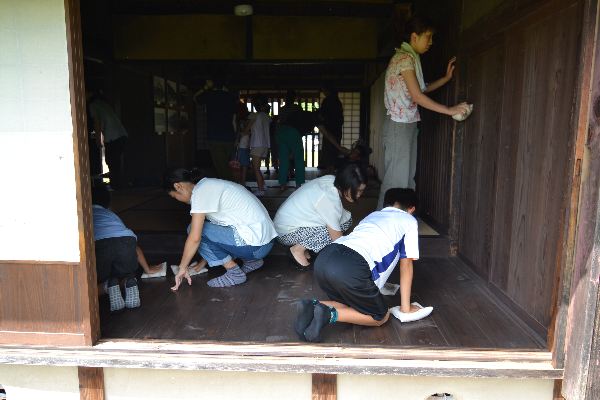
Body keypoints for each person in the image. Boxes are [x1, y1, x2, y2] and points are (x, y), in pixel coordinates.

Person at [295, 188, 428, 342]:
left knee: (347, 304)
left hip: (326, 258)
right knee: (380, 316)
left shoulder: (373, 215)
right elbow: (406, 266)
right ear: (411, 209)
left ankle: (312, 305)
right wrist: (406, 309)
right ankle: (329, 315)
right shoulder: (409, 221)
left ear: (387, 204)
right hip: (351, 267)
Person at [377, 16, 470, 209]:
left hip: (407, 124)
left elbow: (421, 89)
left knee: (406, 179)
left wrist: (445, 79)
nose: (430, 42)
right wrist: (449, 109)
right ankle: (382, 231)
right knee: (396, 181)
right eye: (427, 37)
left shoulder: (411, 58)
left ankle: (400, 227)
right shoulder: (403, 58)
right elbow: (418, 97)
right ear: (414, 36)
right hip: (398, 125)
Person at [166, 168, 278, 289]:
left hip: (255, 247)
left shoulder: (200, 193)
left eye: (174, 196)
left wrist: (182, 268)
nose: (177, 200)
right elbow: (214, 238)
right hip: (267, 244)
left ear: (178, 186)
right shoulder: (208, 185)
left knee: (192, 229)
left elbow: (195, 237)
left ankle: (234, 273)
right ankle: (252, 261)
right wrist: (201, 263)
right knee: (206, 228)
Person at [274, 163, 367, 270]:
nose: (359, 194)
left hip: (286, 225)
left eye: (362, 190)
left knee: (346, 220)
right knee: (332, 230)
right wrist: (351, 259)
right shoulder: (328, 198)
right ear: (346, 185)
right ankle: (297, 249)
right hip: (285, 233)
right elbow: (337, 238)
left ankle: (306, 246)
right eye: (357, 190)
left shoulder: (332, 180)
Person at [92, 184, 164, 313]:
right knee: (125, 272)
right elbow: (135, 247)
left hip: (100, 245)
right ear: (107, 203)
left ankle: (107, 286)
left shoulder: (84, 214)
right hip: (126, 241)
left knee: (88, 284)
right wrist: (147, 269)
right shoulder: (111, 215)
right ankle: (128, 281)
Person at [194, 80, 237, 181]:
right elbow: (234, 120)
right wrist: (235, 137)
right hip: (229, 136)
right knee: (230, 166)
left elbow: (195, 98)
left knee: (221, 168)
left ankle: (230, 190)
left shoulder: (209, 95)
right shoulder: (231, 97)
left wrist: (205, 88)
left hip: (214, 136)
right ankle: (233, 187)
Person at [87, 91, 129, 189]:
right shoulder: (103, 104)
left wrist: (98, 139)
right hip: (121, 134)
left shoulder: (93, 105)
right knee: (114, 161)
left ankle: (116, 185)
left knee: (111, 161)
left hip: (112, 136)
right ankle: (118, 185)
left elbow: (97, 123)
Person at [276, 90, 305, 190]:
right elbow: (301, 121)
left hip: (282, 132)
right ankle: (298, 184)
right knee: (298, 158)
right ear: (294, 98)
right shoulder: (297, 108)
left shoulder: (282, 109)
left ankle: (282, 185)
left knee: (283, 159)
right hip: (294, 132)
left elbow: (279, 121)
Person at [245, 96, 271, 196]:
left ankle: (261, 190)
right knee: (257, 167)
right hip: (265, 145)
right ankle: (263, 185)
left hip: (257, 144)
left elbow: (246, 129)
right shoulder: (266, 116)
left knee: (255, 168)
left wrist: (242, 131)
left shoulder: (254, 115)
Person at [318, 87, 345, 172]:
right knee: (333, 152)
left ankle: (330, 171)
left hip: (330, 129)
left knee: (329, 152)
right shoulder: (337, 102)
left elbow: (322, 114)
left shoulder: (327, 101)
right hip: (337, 130)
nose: (324, 92)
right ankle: (331, 171)